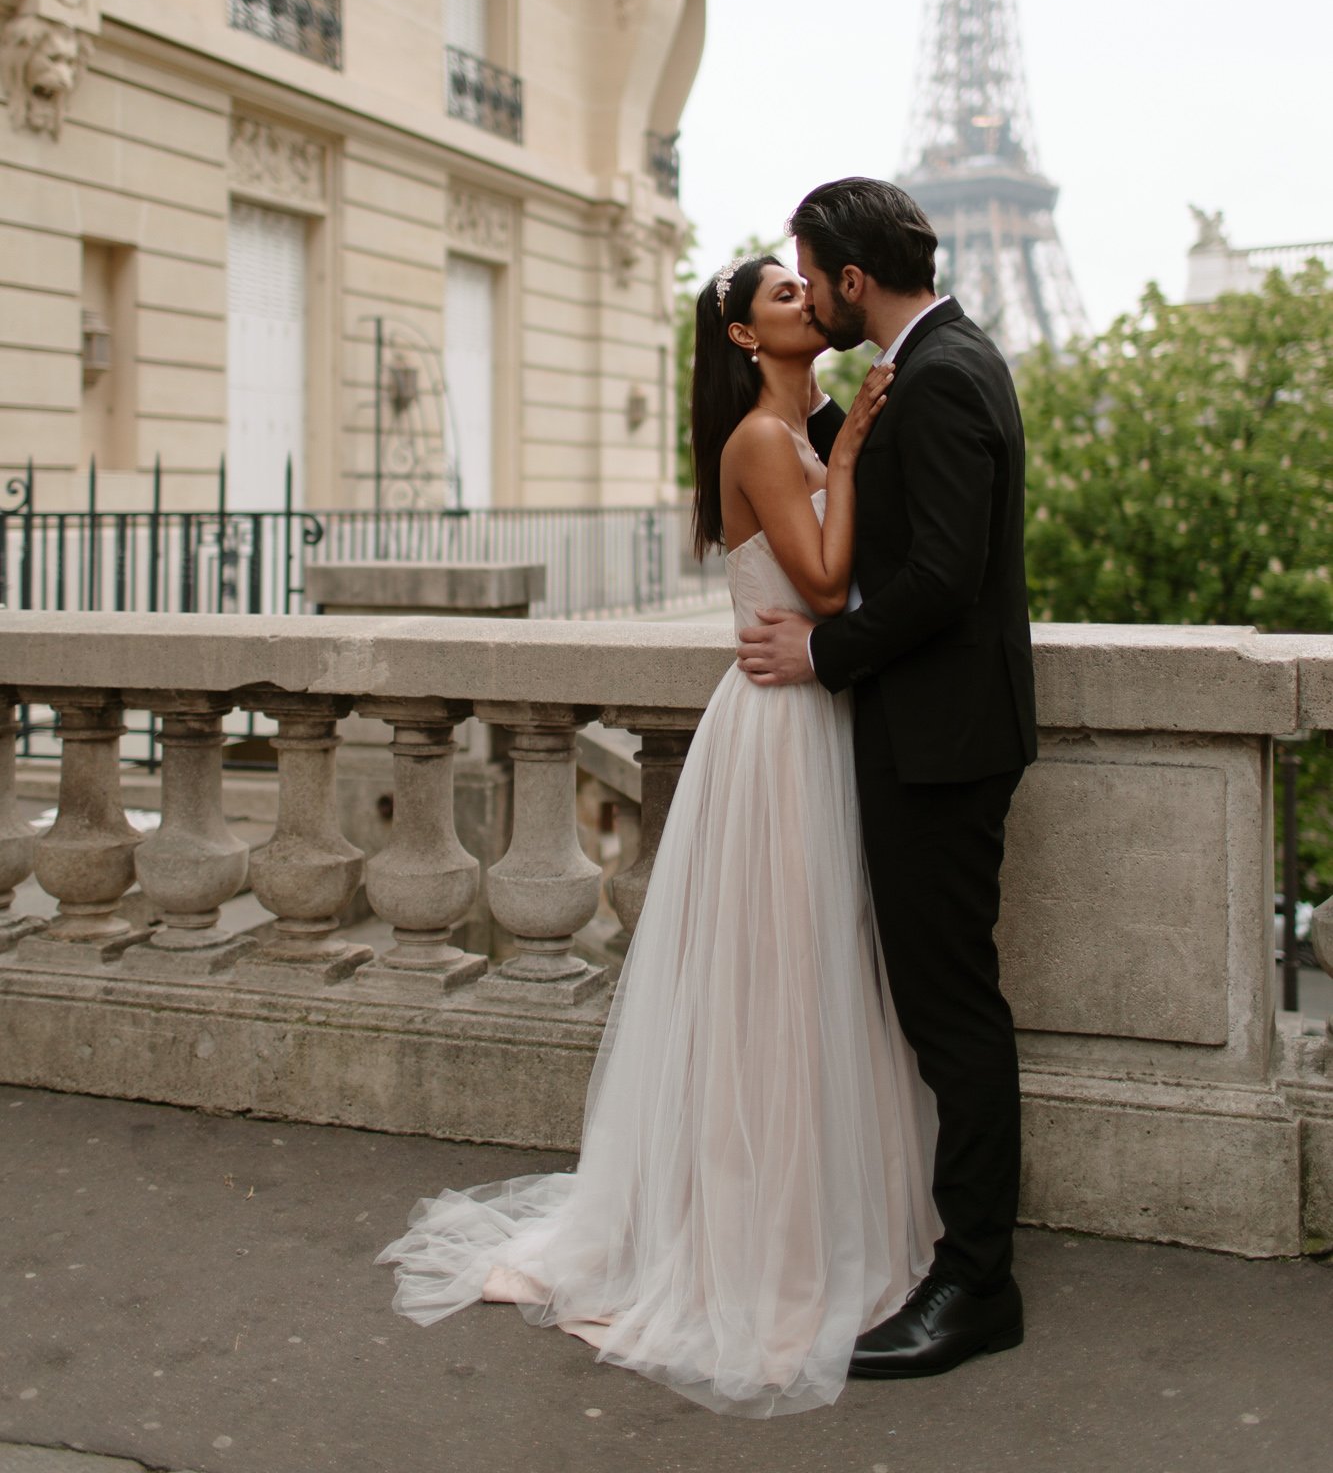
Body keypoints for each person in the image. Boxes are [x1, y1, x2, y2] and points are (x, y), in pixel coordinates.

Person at [378, 254, 939, 1418]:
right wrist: (844, 458)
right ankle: (754, 1227)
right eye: (781, 296)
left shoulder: (798, 427)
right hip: (781, 727)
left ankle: (797, 1209)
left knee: (814, 969)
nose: (807, 303)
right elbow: (829, 589)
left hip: (806, 718)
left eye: (805, 287)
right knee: (777, 973)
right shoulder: (759, 442)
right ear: (742, 337)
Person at [737, 176, 1037, 1380]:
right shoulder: (931, 367)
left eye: (813, 277)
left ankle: (975, 1282)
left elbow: (942, 578)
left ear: (855, 279)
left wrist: (821, 651)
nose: (808, 294)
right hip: (935, 730)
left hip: (942, 742)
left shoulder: (947, 374)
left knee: (951, 1012)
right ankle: (959, 1261)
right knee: (938, 1007)